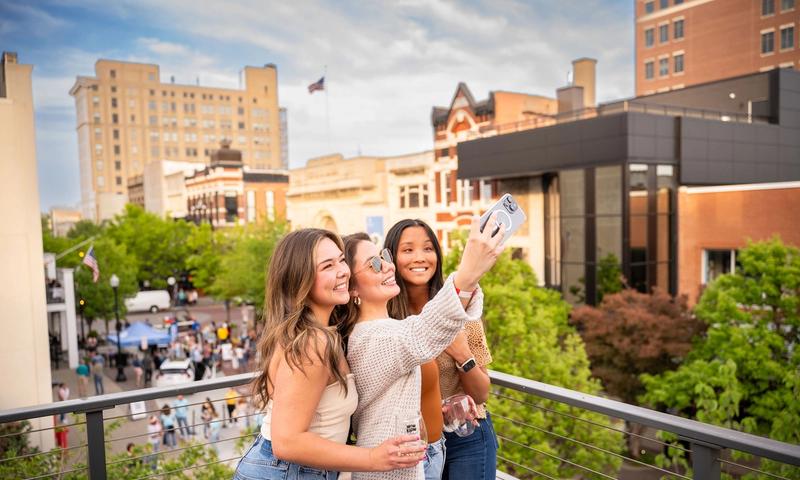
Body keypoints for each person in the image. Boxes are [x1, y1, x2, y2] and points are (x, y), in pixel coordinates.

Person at [234, 229, 425, 480]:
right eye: (327, 266)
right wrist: (372, 458)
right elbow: (287, 442)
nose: (343, 271)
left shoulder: (320, 333)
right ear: (300, 278)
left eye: (342, 260)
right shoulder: (313, 342)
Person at [338, 213, 503, 480]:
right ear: (352, 287)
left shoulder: (387, 328)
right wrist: (470, 270)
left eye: (385, 259)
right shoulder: (380, 334)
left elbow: (399, 391)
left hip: (444, 442)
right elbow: (425, 330)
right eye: (375, 264)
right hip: (413, 457)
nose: (388, 267)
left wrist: (440, 403)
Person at [385, 219, 498, 480]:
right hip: (412, 439)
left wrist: (461, 354)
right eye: (408, 250)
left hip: (466, 435)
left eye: (427, 249)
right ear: (391, 258)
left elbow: (482, 393)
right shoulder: (384, 316)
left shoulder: (460, 310)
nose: (420, 258)